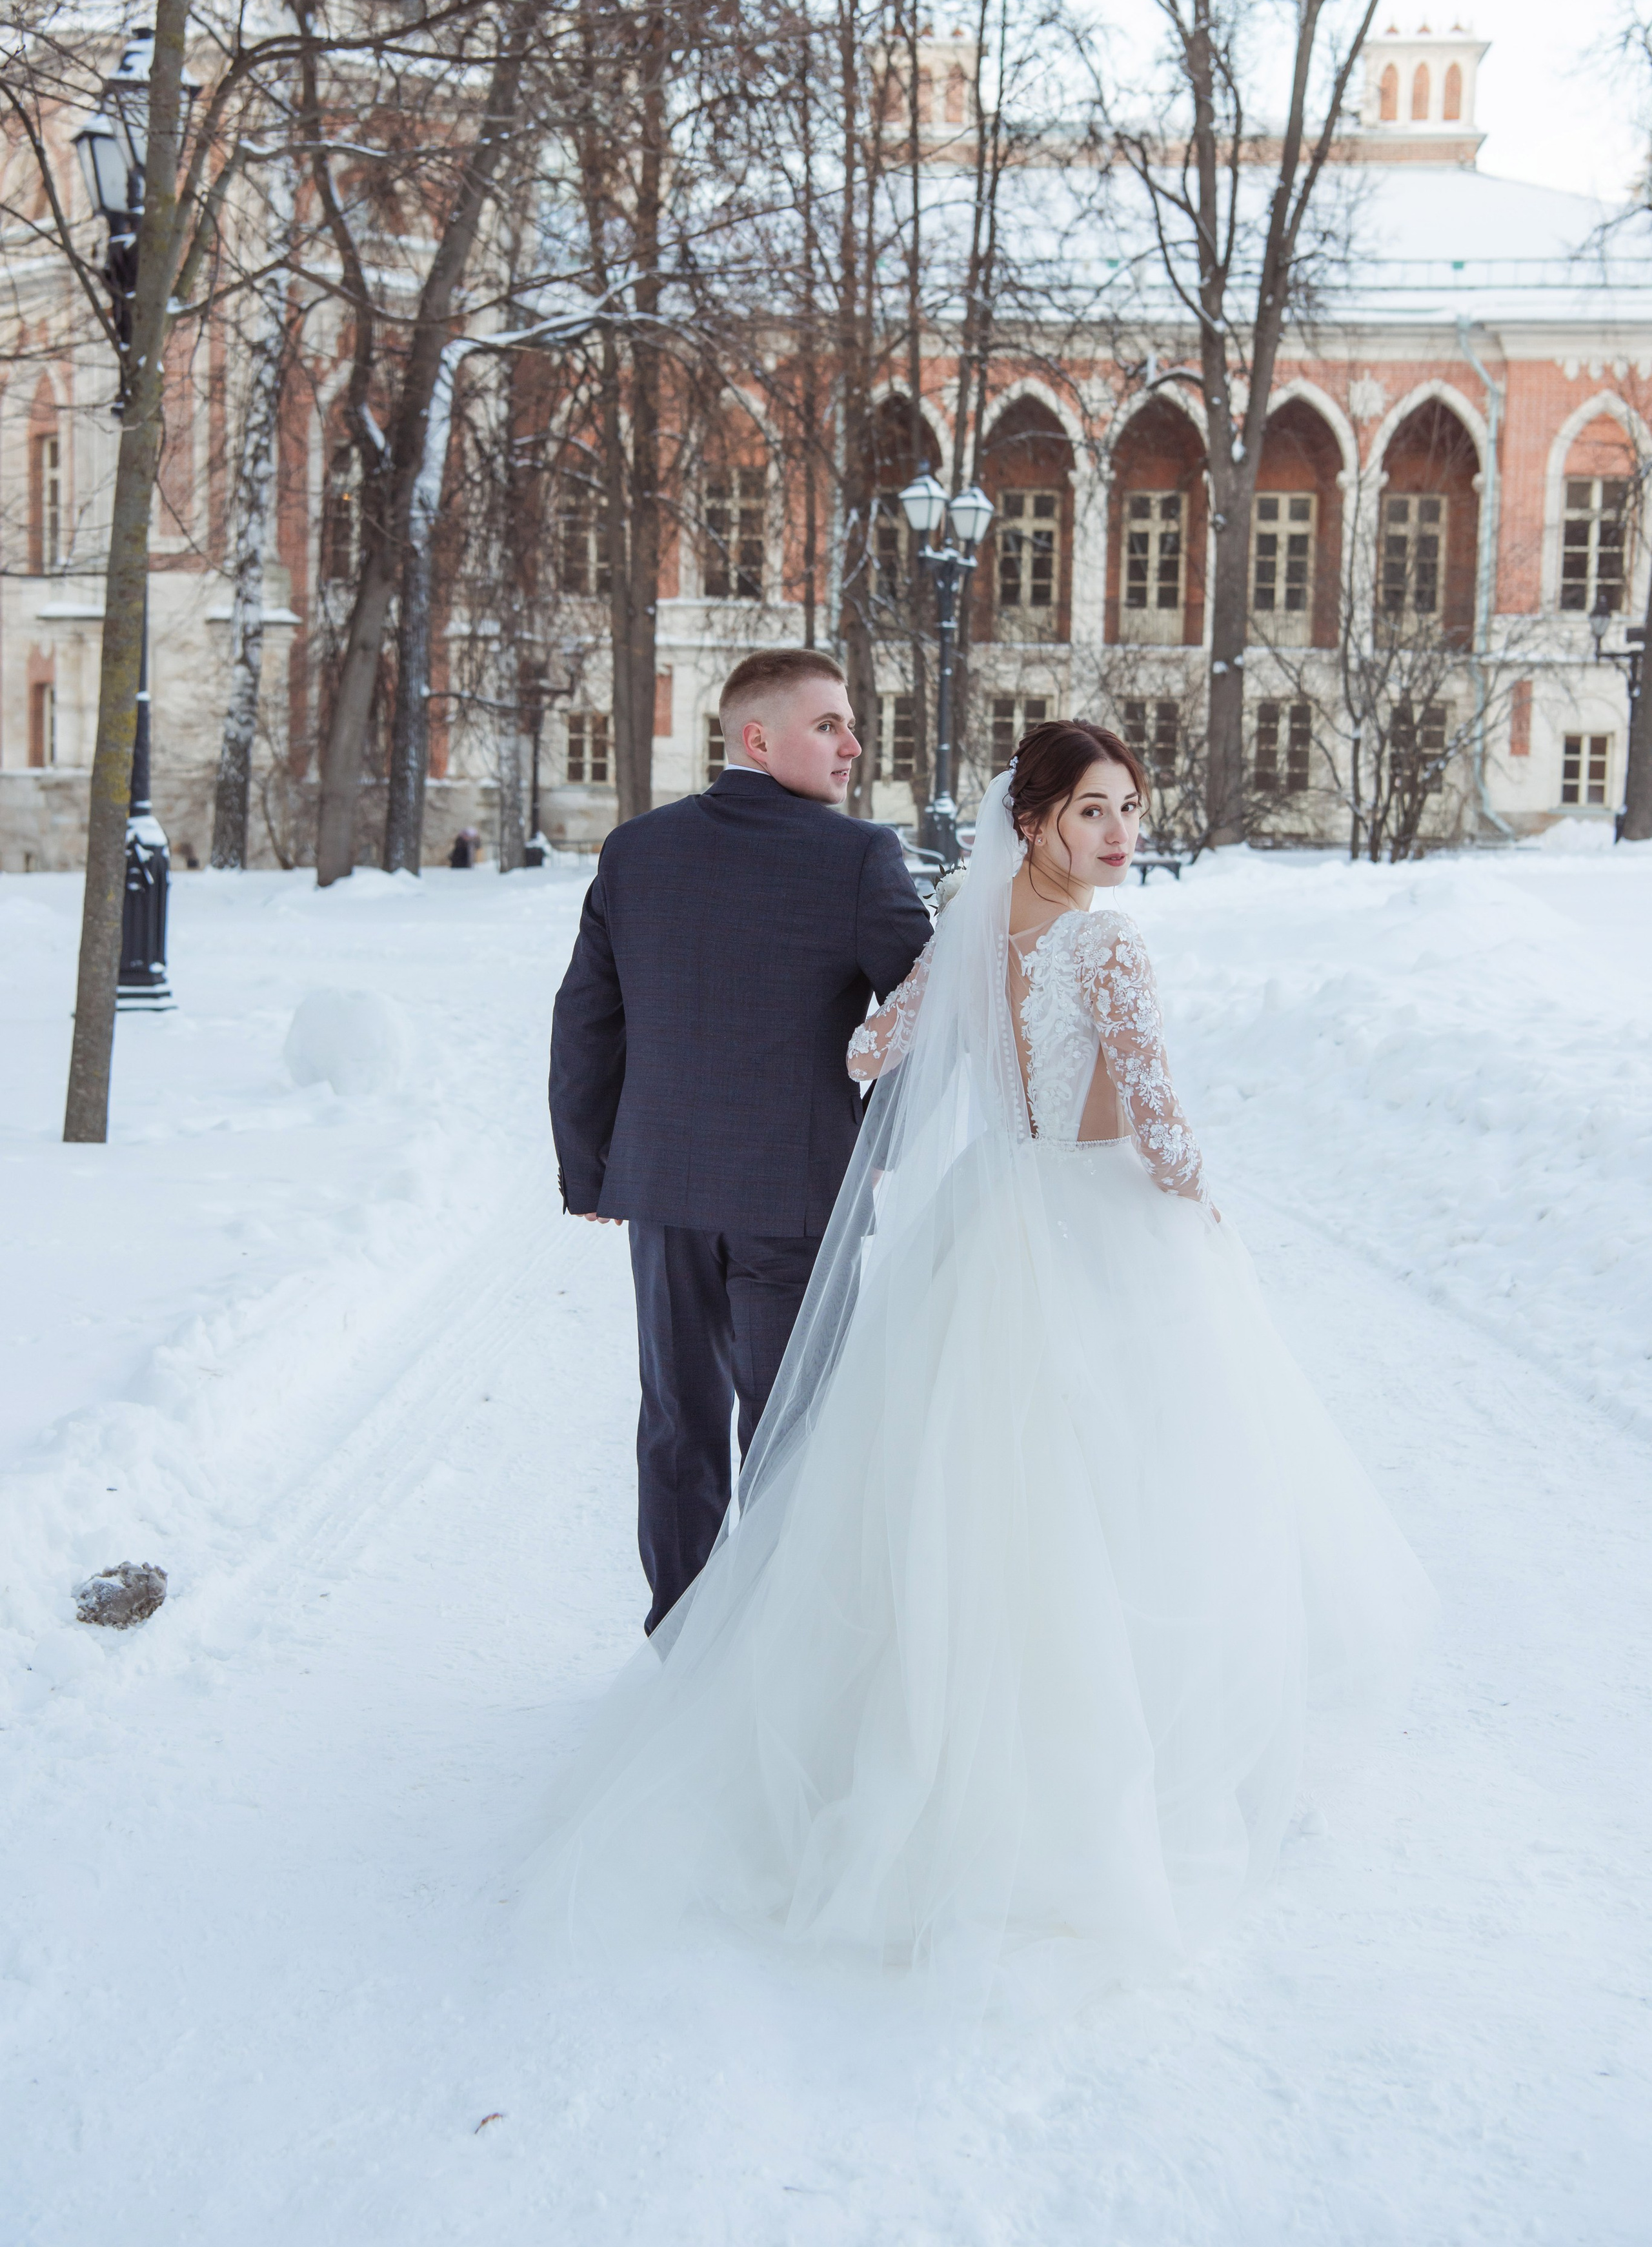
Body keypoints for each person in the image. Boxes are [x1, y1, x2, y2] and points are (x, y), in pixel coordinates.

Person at [528, 720, 1435, 2013]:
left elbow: (865, 1053)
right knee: (1123, 1483)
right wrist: (1196, 1204)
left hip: (987, 1208)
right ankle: (1102, 1751)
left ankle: (935, 1740)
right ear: (1034, 820)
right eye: (1090, 811)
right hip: (1095, 1217)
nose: (1120, 832)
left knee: (970, 1488)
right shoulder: (1107, 940)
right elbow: (1161, 1118)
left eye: (1128, 806)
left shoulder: (973, 927)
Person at [549, 649, 933, 1633]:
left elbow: (588, 1017)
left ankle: (680, 1645)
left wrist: (591, 1167)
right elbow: (931, 1012)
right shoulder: (858, 857)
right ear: (757, 737)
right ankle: (773, 1659)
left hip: (664, 1189)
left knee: (678, 1423)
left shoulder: (637, 848)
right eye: (829, 725)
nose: (852, 744)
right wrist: (887, 1132)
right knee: (793, 1429)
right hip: (799, 1197)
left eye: (849, 724)